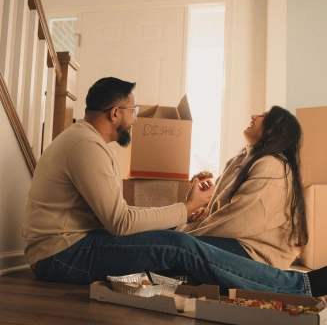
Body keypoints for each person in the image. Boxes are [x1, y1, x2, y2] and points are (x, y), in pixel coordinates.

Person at [21, 77, 327, 297]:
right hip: (60, 256)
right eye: (133, 112)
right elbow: (121, 222)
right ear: (115, 113)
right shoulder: (85, 146)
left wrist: (184, 217)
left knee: (173, 244)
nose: (136, 119)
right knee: (177, 246)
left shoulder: (87, 142)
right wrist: (186, 211)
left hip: (68, 247)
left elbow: (119, 218)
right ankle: (300, 287)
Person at [175, 105, 308, 271]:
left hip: (254, 255)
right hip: (235, 241)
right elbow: (227, 214)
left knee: (167, 246)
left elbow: (240, 220)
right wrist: (203, 214)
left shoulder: (272, 165)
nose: (254, 116)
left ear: (275, 129)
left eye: (263, 115)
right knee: (165, 237)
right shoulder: (238, 161)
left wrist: (184, 235)